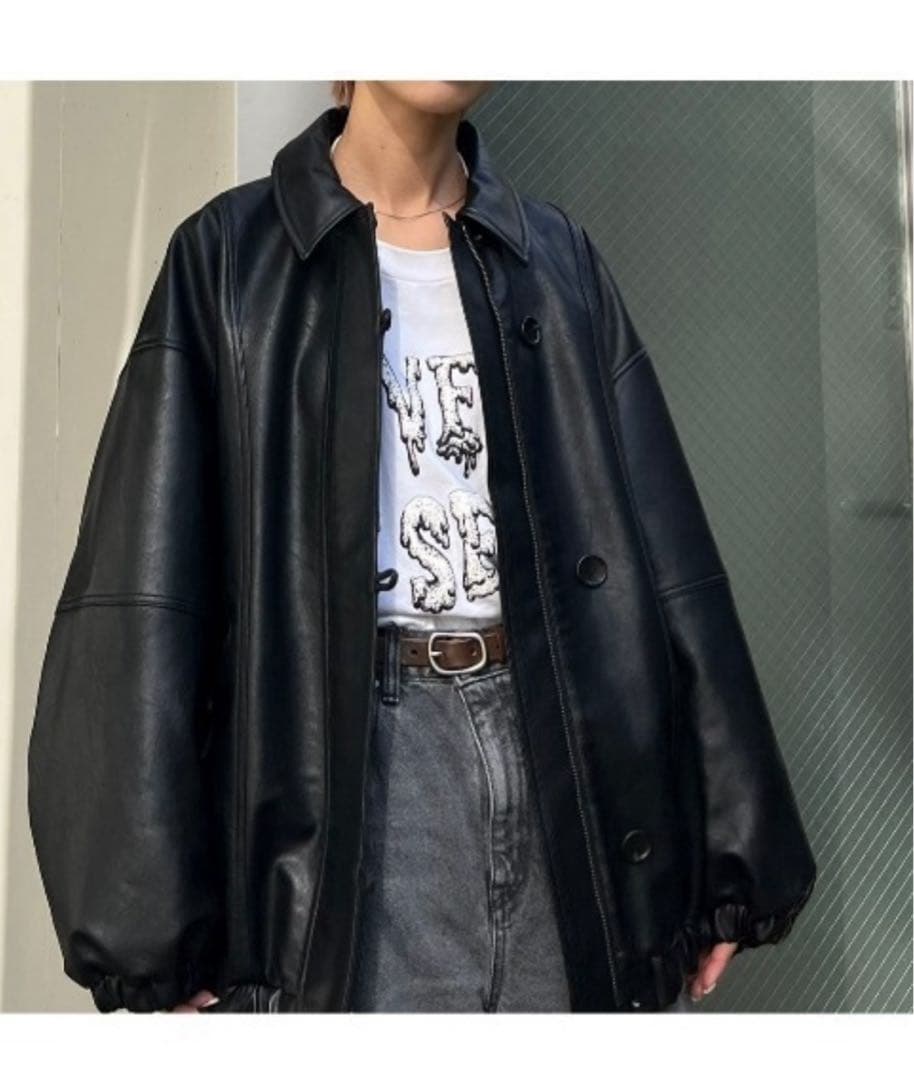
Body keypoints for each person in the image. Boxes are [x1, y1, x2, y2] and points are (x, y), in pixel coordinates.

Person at [27, 81, 817, 1014]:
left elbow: (669, 556)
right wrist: (145, 930)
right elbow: (141, 589)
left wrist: (737, 846)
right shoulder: (232, 256)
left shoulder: (555, 260)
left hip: (563, 758)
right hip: (364, 779)